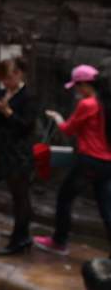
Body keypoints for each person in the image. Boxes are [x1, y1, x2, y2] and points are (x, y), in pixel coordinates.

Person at [34, 64, 111, 256]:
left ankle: (59, 242)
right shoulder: (105, 103)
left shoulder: (88, 104)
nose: (76, 90)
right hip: (107, 163)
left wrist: (58, 118)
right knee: (106, 208)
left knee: (64, 199)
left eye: (77, 86)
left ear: (85, 85)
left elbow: (68, 129)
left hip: (89, 161)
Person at [0, 56, 38, 255]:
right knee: (16, 196)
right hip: (5, 151)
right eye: (2, 78)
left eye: (7, 77)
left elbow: (26, 126)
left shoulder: (28, 96)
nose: (5, 82)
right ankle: (21, 234)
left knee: (21, 197)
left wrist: (7, 112)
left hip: (20, 154)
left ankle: (20, 238)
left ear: (18, 74)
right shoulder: (2, 92)